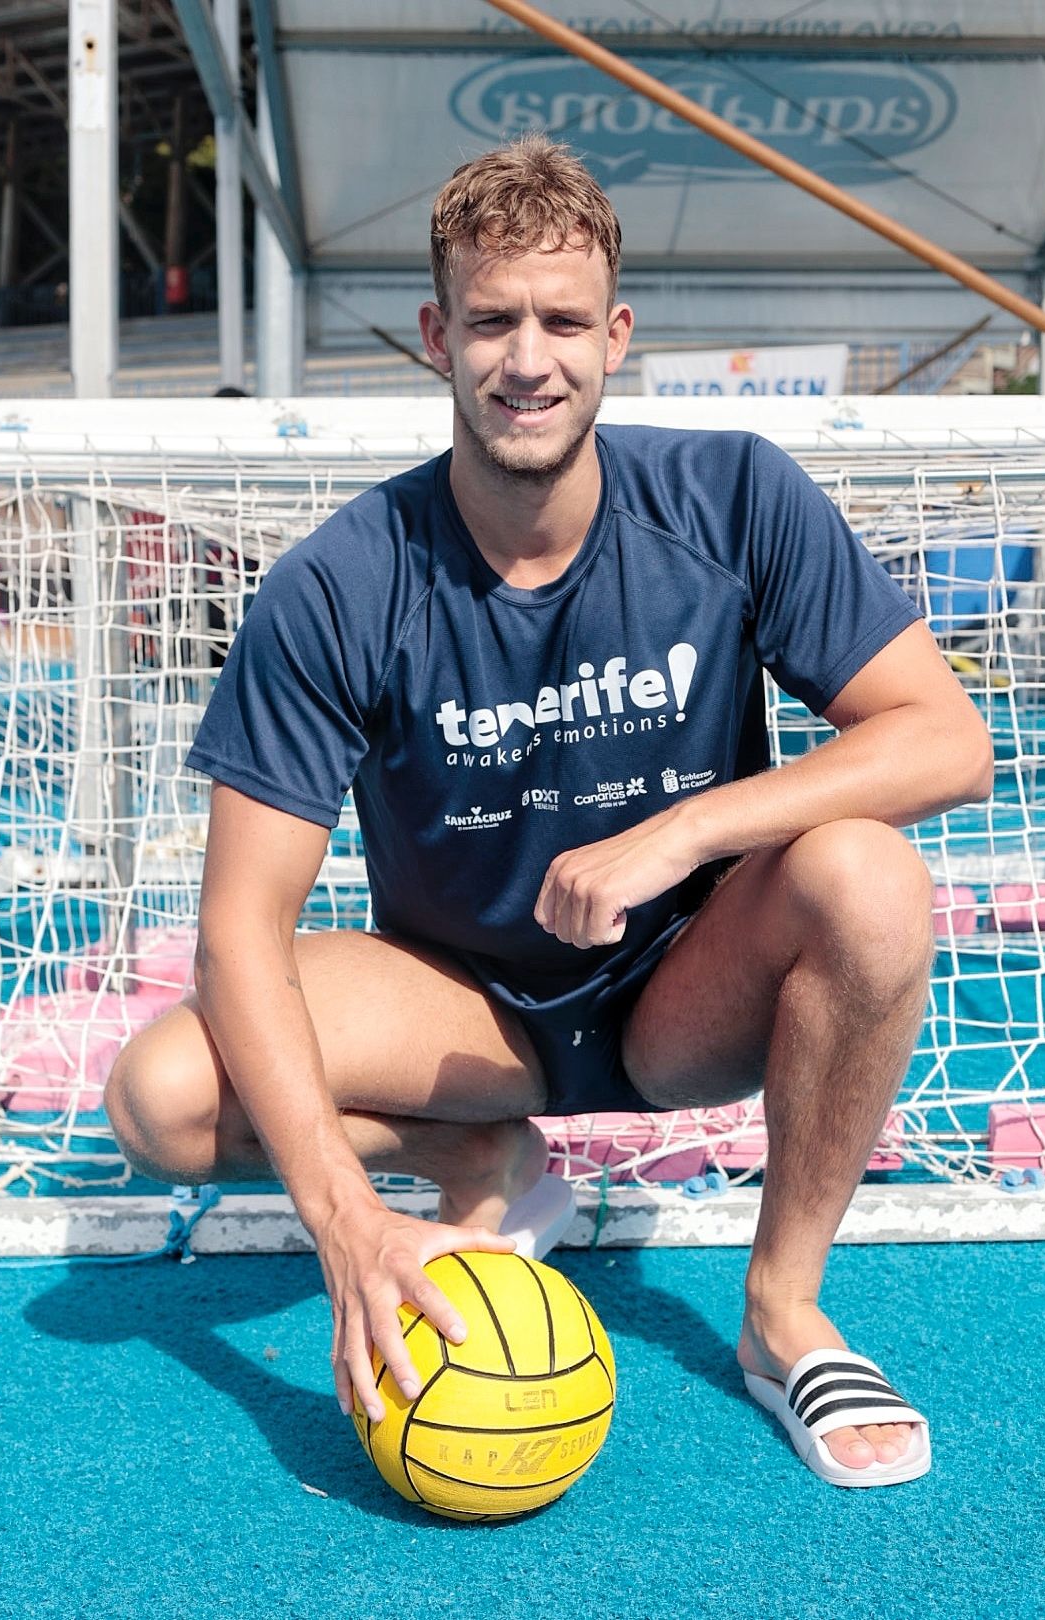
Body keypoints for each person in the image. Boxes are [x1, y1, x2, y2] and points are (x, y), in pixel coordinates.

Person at [105, 135, 992, 1488]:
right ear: (434, 335)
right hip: (462, 1012)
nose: (531, 359)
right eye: (493, 319)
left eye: (564, 320)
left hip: (683, 997)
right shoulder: (340, 585)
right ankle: (486, 1155)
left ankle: (784, 1312)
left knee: (867, 875)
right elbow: (238, 928)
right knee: (162, 1099)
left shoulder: (732, 497)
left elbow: (946, 741)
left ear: (616, 334)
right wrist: (344, 1223)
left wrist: (686, 832)